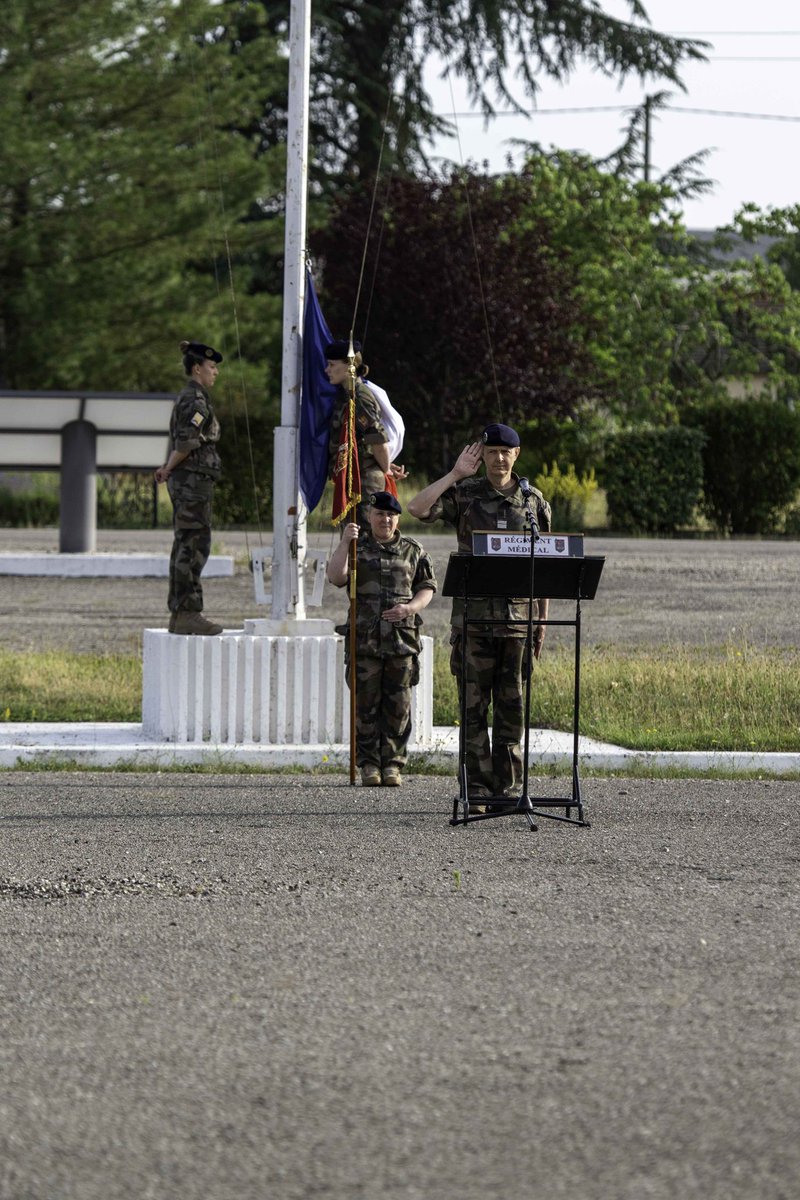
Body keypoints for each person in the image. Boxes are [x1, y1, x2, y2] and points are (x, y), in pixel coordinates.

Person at [406, 423, 551, 802]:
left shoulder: (533, 502)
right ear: (482, 456)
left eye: (506, 452)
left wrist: (542, 620)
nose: (499, 459)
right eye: (492, 452)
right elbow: (417, 507)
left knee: (512, 710)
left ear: (516, 455)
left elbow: (546, 567)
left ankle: (508, 789)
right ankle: (477, 790)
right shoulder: (466, 495)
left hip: (518, 624)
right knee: (473, 711)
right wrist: (455, 474)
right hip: (473, 624)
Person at [326, 490, 437, 787]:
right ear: (370, 517)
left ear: (397, 518)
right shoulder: (357, 547)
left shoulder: (413, 549)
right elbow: (337, 577)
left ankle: (392, 764)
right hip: (365, 640)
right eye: (379, 514)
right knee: (365, 705)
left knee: (399, 705)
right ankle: (369, 764)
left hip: (401, 641)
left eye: (390, 515)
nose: (385, 519)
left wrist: (410, 608)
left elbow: (427, 586)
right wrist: (345, 542)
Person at [154, 340, 224, 636]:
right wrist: (169, 467)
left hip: (191, 480)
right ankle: (188, 612)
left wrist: (169, 468)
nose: (215, 372)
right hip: (192, 481)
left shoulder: (191, 397)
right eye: (211, 367)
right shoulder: (195, 400)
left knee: (185, 543)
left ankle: (180, 612)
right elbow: (187, 442)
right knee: (194, 545)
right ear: (197, 368)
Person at [325, 340, 402, 526]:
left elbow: (376, 439)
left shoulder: (360, 396)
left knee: (365, 539)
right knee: (351, 539)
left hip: (364, 483)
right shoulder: (345, 395)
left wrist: (386, 470)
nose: (327, 370)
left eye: (332, 365)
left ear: (349, 366)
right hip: (352, 479)